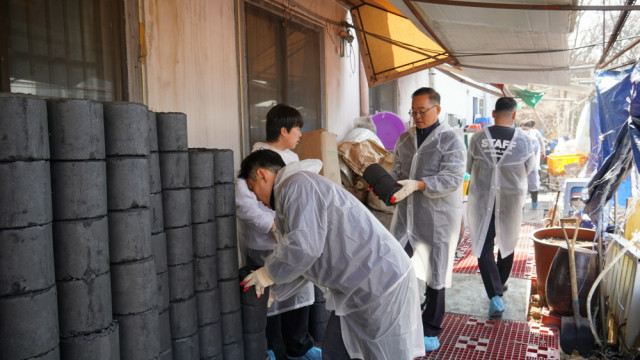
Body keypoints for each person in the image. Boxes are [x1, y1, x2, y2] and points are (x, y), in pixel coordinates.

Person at [239, 150, 424, 360]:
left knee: (382, 355)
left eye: (254, 191)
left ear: (263, 175)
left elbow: (303, 249)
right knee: (335, 350)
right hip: (355, 291)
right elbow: (307, 263)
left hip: (383, 284)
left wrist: (267, 274)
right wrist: (275, 292)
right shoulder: (294, 190)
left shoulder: (297, 185)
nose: (259, 201)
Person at [235, 104, 320, 360]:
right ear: (283, 130)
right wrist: (271, 225)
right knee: (268, 299)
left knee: (298, 292)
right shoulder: (256, 161)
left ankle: (299, 346)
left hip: (293, 238)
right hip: (265, 244)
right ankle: (272, 349)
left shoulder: (293, 160)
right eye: (297, 130)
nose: (300, 135)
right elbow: (244, 204)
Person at [388, 87, 467, 352]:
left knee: (436, 272)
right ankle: (399, 315)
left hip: (437, 218)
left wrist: (420, 185)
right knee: (395, 264)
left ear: (437, 109)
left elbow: (453, 179)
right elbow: (397, 168)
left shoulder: (451, 140)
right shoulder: (405, 138)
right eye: (414, 111)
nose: (417, 117)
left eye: (422, 111)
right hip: (406, 216)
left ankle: (431, 327)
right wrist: (389, 185)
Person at [466, 97, 537, 318]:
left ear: (494, 113)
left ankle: (495, 294)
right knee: (508, 242)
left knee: (482, 245)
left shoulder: (478, 138)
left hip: (482, 199)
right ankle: (500, 285)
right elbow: (528, 169)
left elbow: (470, 167)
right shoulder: (524, 140)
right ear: (514, 115)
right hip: (511, 200)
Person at [519, 120, 543, 209]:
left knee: (529, 185)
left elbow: (534, 152)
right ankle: (526, 205)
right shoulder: (530, 137)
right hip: (525, 166)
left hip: (527, 165)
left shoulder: (533, 138)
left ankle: (533, 201)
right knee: (528, 186)